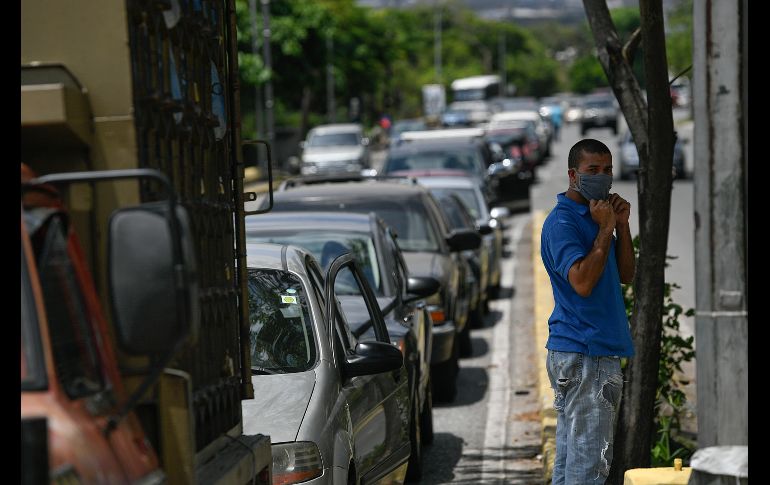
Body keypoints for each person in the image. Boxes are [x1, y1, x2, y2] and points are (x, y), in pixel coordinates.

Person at [540, 138, 635, 484]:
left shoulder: (601, 216)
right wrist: (605, 230)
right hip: (585, 354)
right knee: (589, 470)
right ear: (572, 175)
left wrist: (620, 226)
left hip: (586, 353)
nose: (602, 177)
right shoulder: (563, 223)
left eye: (607, 170)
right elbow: (581, 282)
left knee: (570, 468)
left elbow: (625, 275)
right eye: (592, 170)